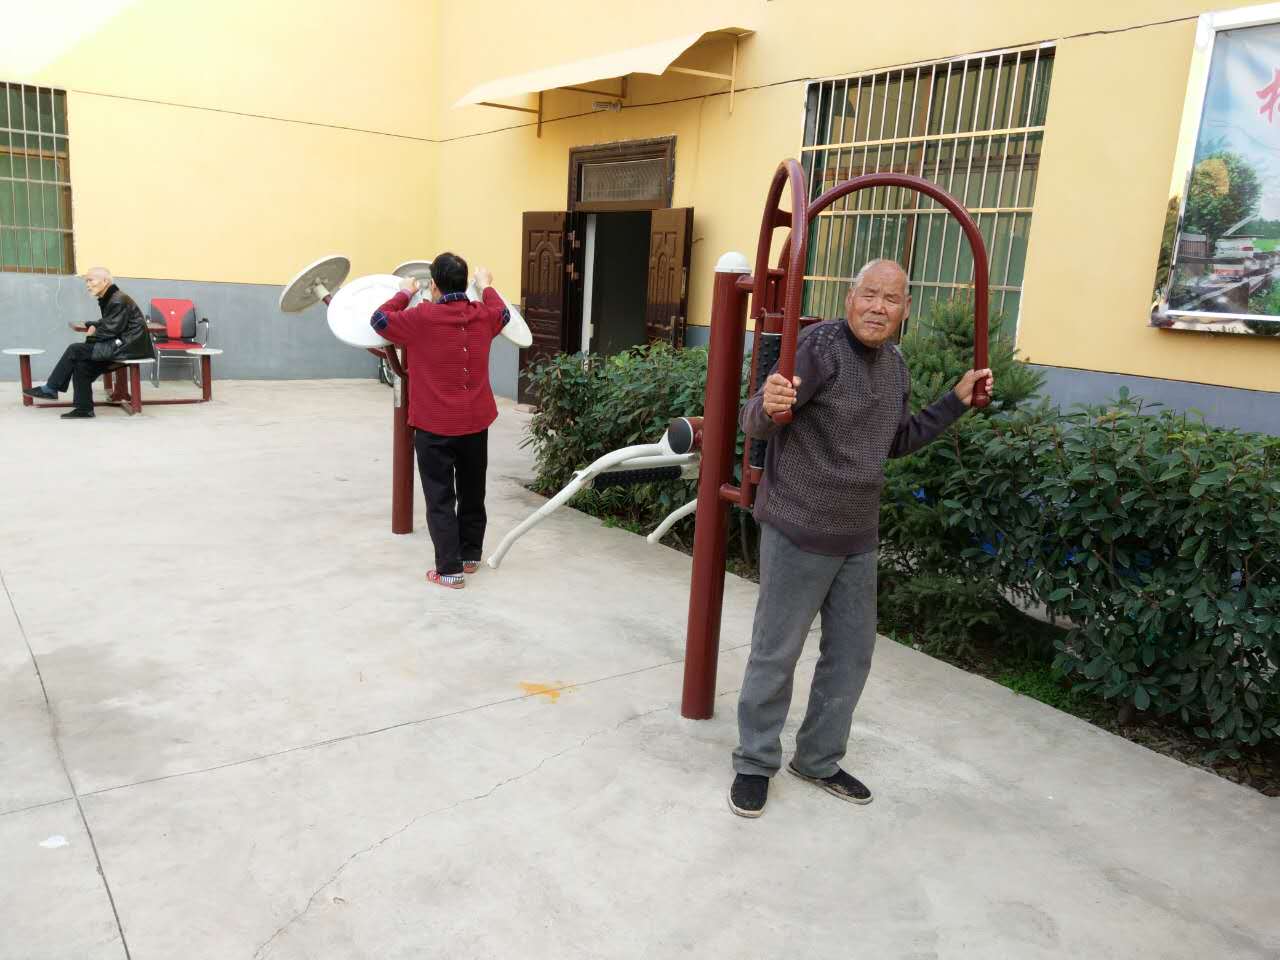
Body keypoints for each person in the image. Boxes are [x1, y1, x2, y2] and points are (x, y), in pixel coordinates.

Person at [728, 258, 995, 818]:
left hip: (857, 535)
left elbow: (892, 441)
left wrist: (954, 401)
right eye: (869, 294)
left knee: (851, 656)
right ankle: (755, 762)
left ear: (903, 310)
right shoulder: (818, 349)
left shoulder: (894, 365)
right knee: (776, 655)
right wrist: (767, 408)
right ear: (850, 299)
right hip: (799, 525)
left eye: (891, 299)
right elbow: (759, 416)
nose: (878, 306)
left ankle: (818, 759)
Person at [370, 252, 509, 589]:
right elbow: (503, 313)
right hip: (475, 423)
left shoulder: (421, 318)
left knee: (440, 497)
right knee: (473, 491)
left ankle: (449, 570)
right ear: (465, 283)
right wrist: (487, 286)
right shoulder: (482, 315)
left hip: (434, 426)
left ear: (433, 284)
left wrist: (403, 292)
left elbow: (380, 321)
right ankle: (470, 556)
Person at [24, 267, 154, 419]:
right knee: (81, 365)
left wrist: (90, 337)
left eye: (91, 280)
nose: (87, 284)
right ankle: (84, 409)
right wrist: (92, 324)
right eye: (86, 281)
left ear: (105, 281)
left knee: (75, 350)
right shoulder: (110, 297)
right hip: (124, 343)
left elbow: (109, 330)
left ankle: (51, 388)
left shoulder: (117, 299)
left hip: (130, 346)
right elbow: (110, 322)